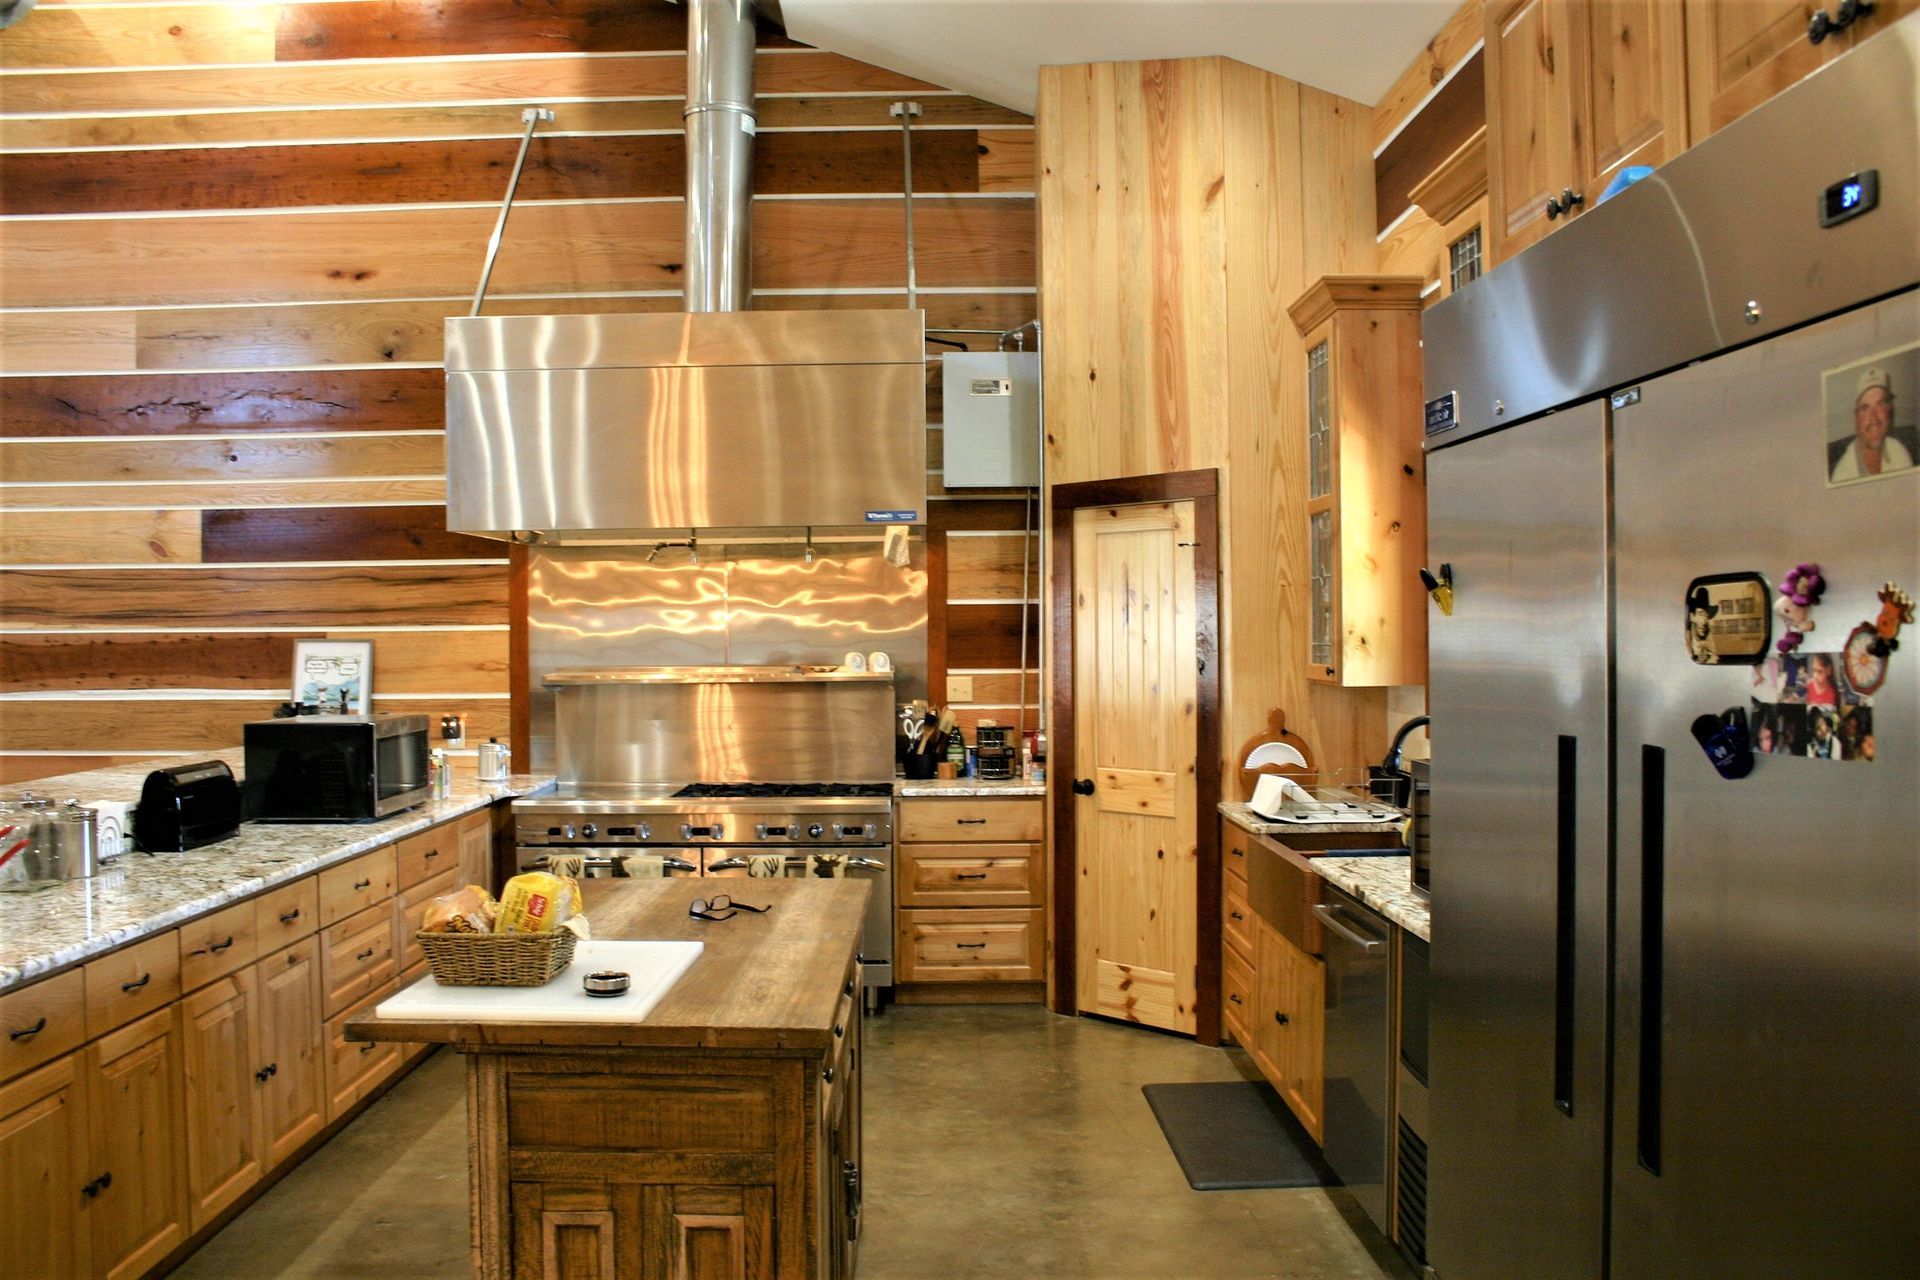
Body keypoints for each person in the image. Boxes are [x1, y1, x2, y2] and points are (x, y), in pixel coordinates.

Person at [1830, 365, 1914, 482]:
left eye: (1880, 404)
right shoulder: (1842, 475)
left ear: (1889, 411)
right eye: (1865, 408)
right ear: (1856, 419)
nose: (1874, 417)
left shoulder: (1899, 452)